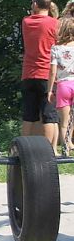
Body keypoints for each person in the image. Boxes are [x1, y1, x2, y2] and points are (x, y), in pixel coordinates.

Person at [20, 0, 59, 149]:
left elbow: (32, 15)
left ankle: (23, 149)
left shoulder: (26, 21)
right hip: (47, 74)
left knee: (29, 115)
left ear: (35, 4)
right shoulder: (55, 23)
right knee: (48, 115)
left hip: (29, 74)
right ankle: (48, 150)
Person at [49, 16, 74, 156]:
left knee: (64, 121)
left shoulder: (56, 48)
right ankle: (69, 141)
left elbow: (52, 71)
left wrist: (50, 89)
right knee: (72, 118)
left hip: (63, 85)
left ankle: (65, 147)